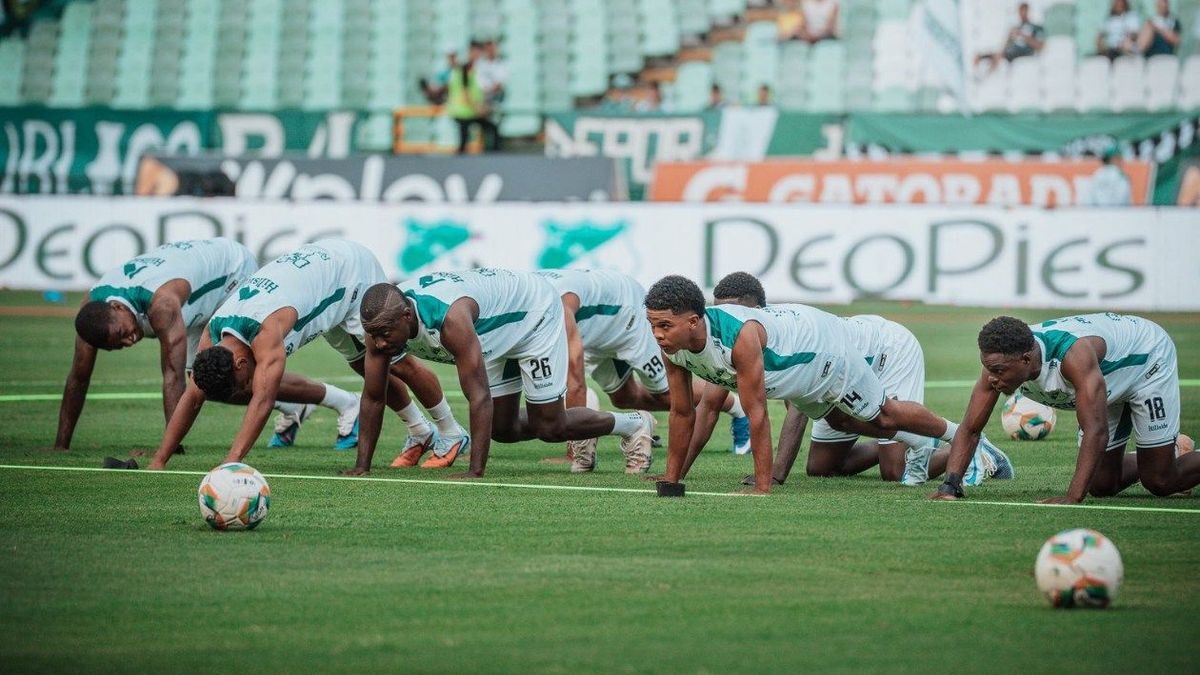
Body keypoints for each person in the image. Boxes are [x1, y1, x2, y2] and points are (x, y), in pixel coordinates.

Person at [644, 276, 1013, 494]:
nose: (657, 334)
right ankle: (929, 442)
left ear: (694, 321)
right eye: (653, 325)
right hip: (800, 374)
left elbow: (758, 415)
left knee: (885, 417)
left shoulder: (740, 336)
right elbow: (682, 412)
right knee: (837, 425)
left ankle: (966, 439)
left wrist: (763, 485)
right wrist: (673, 478)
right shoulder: (675, 346)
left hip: (824, 351)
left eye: (664, 326)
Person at [145, 239, 465, 471]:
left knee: (394, 363)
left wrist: (231, 464)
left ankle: (451, 432)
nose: (244, 388)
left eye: (240, 383)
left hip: (350, 273)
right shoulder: (213, 336)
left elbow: (262, 400)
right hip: (323, 287)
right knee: (364, 370)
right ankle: (420, 432)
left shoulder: (265, 333)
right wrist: (160, 460)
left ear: (242, 362)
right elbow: (193, 395)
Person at [346, 269, 658, 478]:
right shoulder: (380, 327)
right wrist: (362, 467)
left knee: (550, 427)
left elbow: (478, 396)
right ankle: (580, 418)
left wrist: (475, 471)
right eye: (373, 334)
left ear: (406, 315)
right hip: (492, 330)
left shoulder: (450, 321)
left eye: (385, 333)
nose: (379, 342)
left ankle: (633, 423)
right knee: (502, 429)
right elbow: (374, 396)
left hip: (534, 317)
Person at [933, 314, 1199, 504]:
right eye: (987, 368)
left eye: (998, 371)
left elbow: (1095, 430)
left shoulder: (1073, 356)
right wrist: (950, 485)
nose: (991, 378)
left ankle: (1163, 458)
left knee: (1161, 481)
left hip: (1146, 362)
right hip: (1104, 381)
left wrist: (1072, 496)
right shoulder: (1001, 362)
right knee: (1102, 485)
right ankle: (1169, 450)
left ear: (1026, 359)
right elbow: (970, 428)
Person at [536, 268, 748, 472]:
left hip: (627, 315)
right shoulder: (531, 294)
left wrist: (573, 453)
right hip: (597, 332)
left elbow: (575, 381)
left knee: (667, 394)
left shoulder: (555, 302)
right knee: (623, 398)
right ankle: (638, 426)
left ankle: (738, 409)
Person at [58, 238, 258, 453]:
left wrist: (170, 449)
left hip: (233, 271)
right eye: (117, 346)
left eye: (122, 334)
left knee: (215, 375)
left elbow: (173, 374)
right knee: (201, 381)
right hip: (194, 287)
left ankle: (289, 400)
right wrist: (61, 445)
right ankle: (288, 403)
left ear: (116, 306)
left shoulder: (161, 304)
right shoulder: (92, 315)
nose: (130, 341)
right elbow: (79, 377)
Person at [975, 3, 1044, 70]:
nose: (1021, 13)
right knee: (995, 55)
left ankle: (986, 71)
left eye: (1024, 10)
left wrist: (1023, 36)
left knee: (1001, 55)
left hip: (1025, 52)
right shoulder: (1016, 28)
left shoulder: (1036, 28)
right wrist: (1010, 36)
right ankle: (982, 63)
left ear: (1028, 11)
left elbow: (1040, 46)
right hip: (1010, 52)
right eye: (1020, 11)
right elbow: (1006, 45)